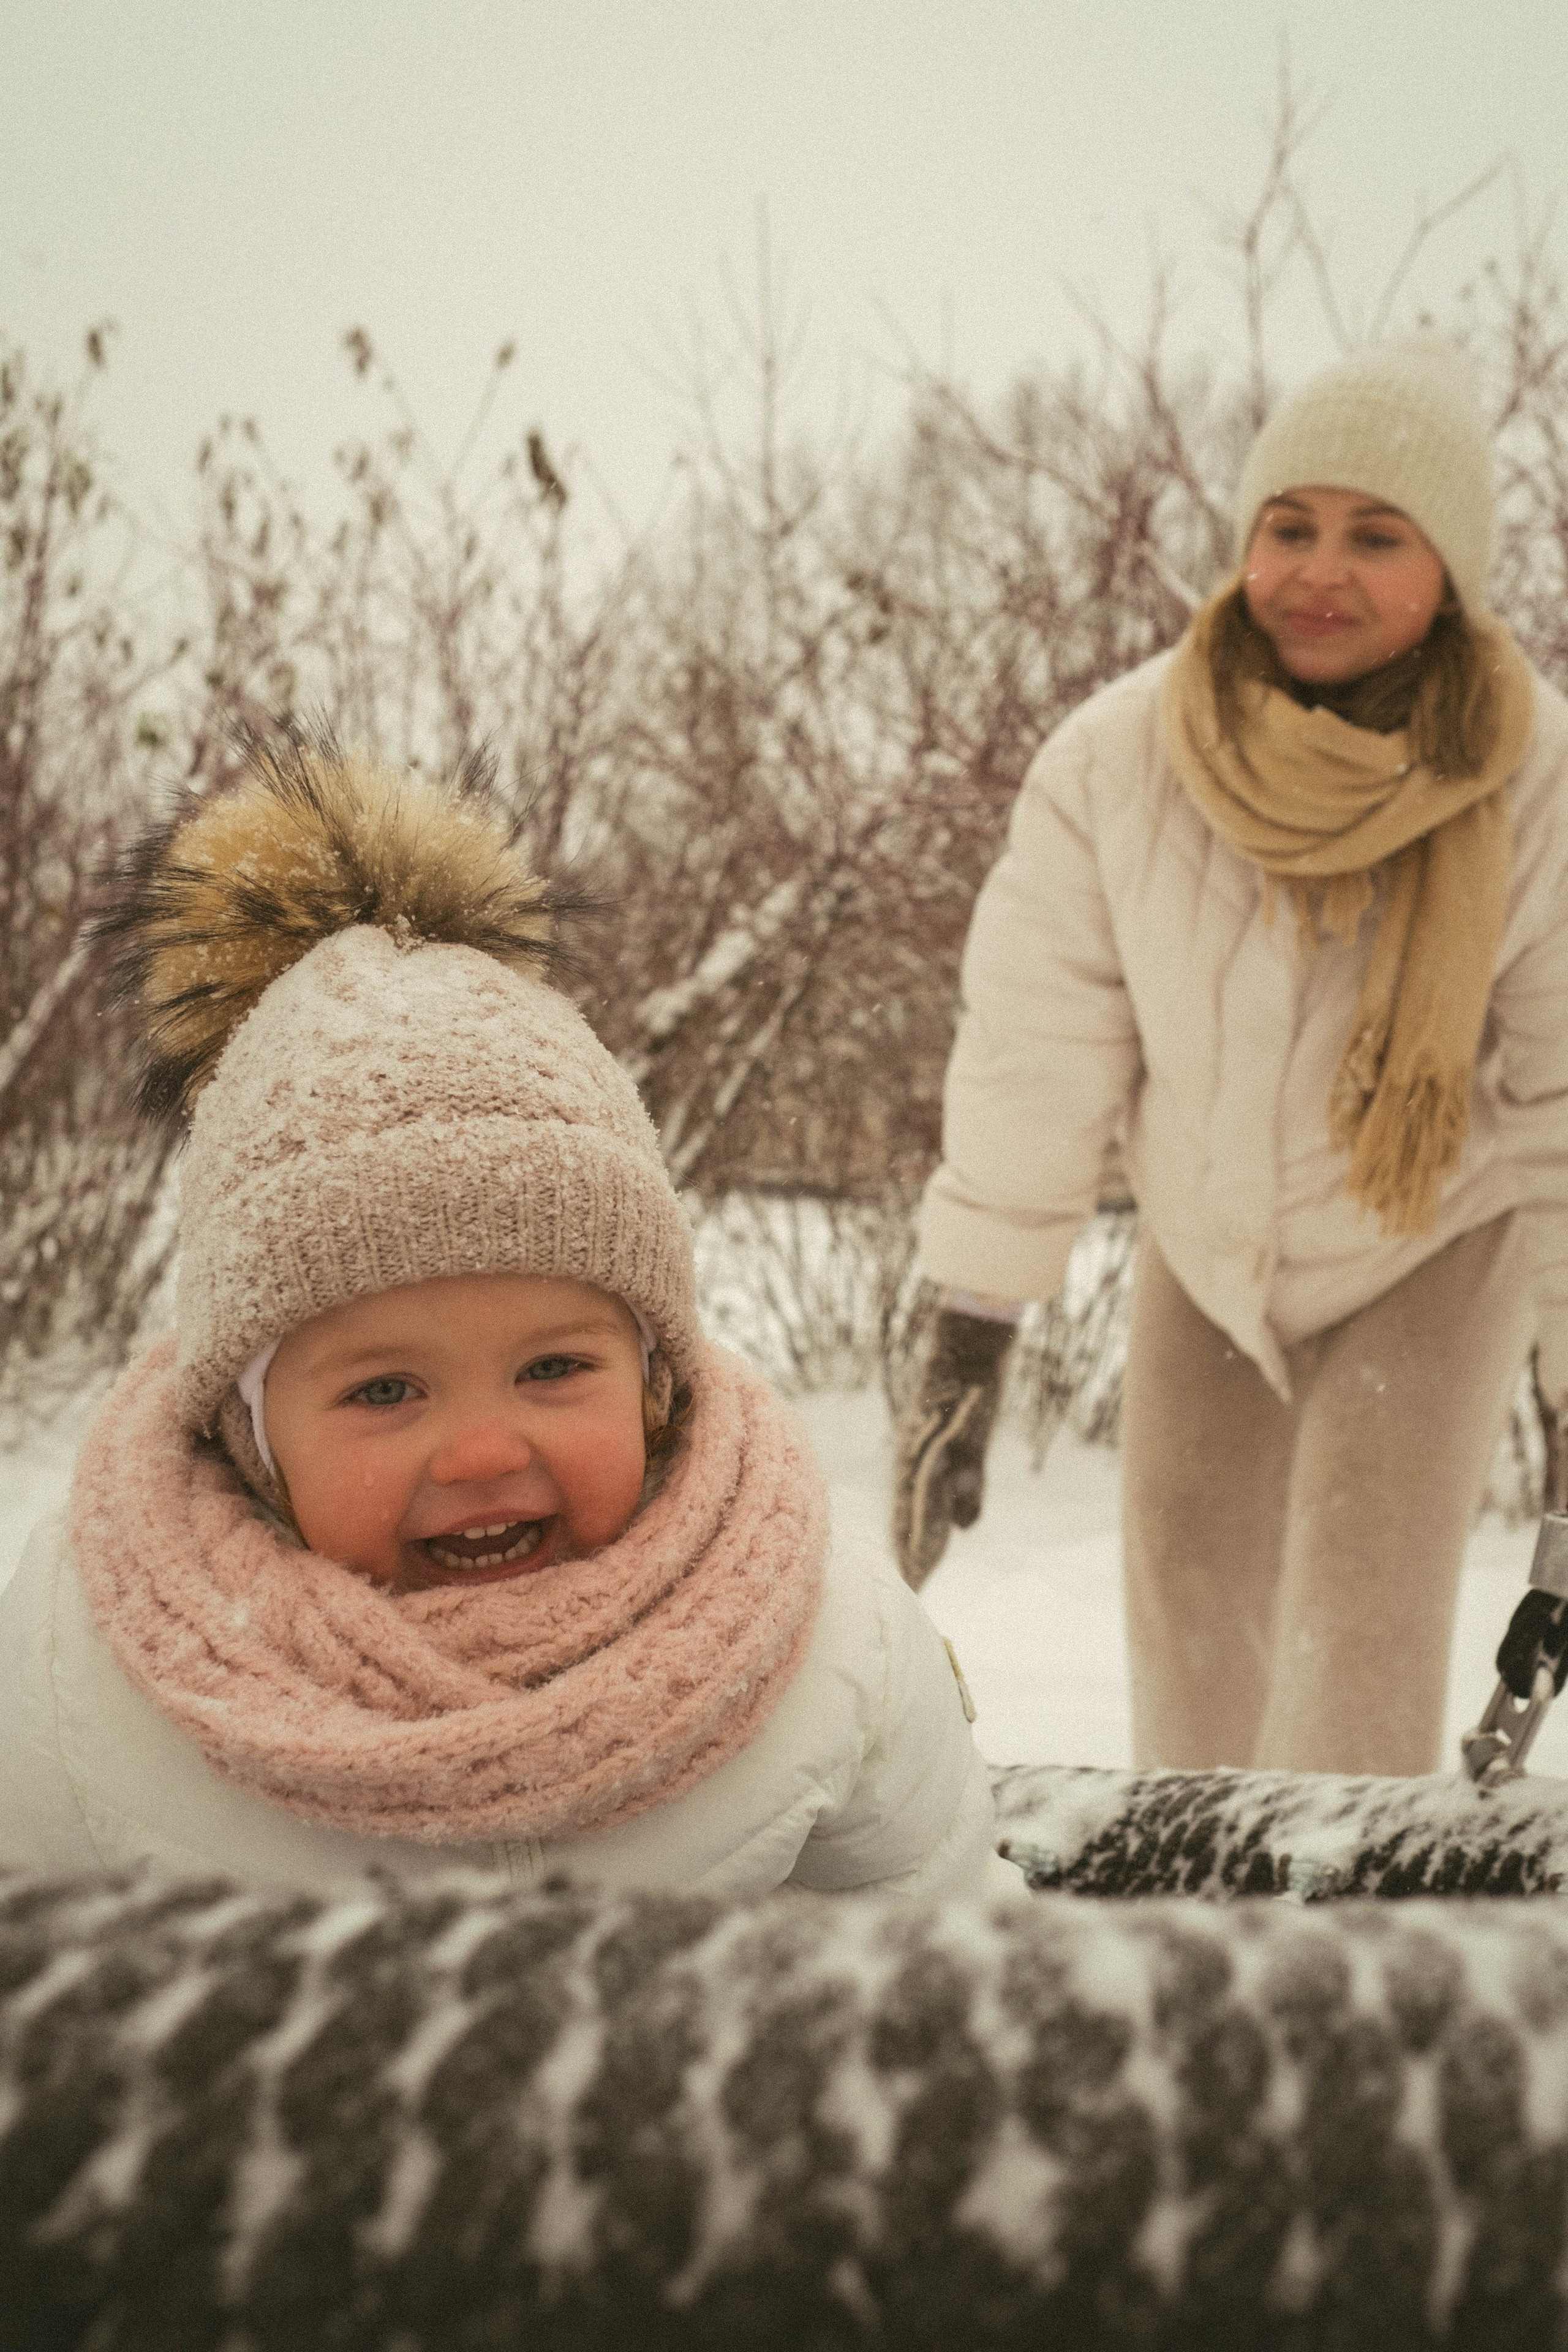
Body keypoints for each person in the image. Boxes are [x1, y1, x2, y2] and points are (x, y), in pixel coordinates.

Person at [0, 733, 1002, 1896]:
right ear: (249, 1428)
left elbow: (945, 1955)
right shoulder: (95, 1661)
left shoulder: (818, 1627)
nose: (483, 1450)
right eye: (385, 1390)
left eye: (554, 1369)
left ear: (656, 1377)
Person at [895, 339, 1568, 1777]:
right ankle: (1182, 1933)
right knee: (1187, 1603)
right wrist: (973, 1322)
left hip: (1428, 1240)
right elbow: (1038, 1052)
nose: (1319, 569)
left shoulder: (1534, 779)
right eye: (1288, 527)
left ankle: (1329, 1953)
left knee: (1354, 1625)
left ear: (1445, 574)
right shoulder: (1119, 758)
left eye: (1374, 537)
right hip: (1204, 1237)